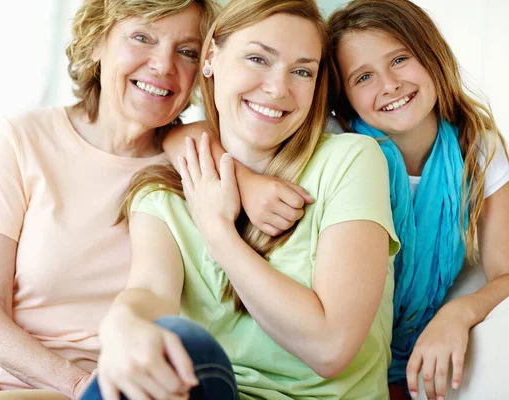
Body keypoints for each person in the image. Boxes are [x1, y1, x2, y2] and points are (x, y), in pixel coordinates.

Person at [81, 0, 400, 399]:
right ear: (211, 57)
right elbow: (149, 293)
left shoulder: (351, 161)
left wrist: (219, 235)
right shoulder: (161, 193)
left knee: (182, 341)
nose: (278, 88)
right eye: (258, 59)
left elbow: (331, 347)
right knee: (160, 346)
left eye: (302, 71)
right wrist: (121, 326)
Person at [0, 1, 219, 399]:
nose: (163, 64)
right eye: (142, 37)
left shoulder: (193, 162)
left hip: (108, 380)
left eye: (187, 51)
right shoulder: (23, 138)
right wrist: (74, 384)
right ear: (97, 44)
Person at [326, 1, 509, 399]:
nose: (389, 84)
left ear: (431, 55)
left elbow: (505, 274)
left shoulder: (478, 148)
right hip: (335, 357)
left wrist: (458, 312)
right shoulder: (335, 146)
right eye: (363, 77)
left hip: (414, 353)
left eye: (400, 59)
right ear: (344, 100)